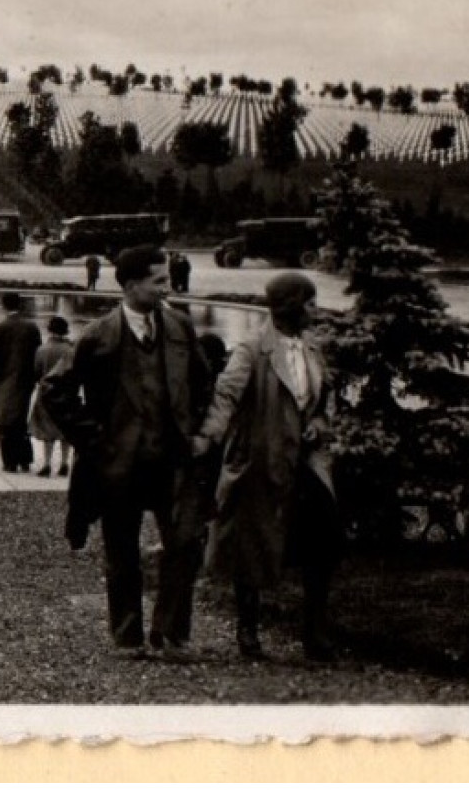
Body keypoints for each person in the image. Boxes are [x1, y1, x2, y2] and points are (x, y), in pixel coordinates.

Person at [40, 244, 213, 660]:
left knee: (186, 543)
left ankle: (170, 632)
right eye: (159, 281)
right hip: (120, 466)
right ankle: (128, 636)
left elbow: (204, 382)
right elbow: (54, 389)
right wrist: (93, 438)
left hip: (174, 459)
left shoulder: (180, 327)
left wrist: (200, 431)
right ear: (132, 285)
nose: (167, 288)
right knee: (122, 553)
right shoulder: (99, 335)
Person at [193, 272, 340, 663]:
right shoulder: (253, 349)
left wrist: (319, 425)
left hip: (306, 465)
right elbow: (226, 394)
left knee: (321, 539)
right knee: (251, 546)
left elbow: (324, 401)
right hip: (261, 462)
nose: (315, 310)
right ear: (291, 305)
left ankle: (316, 631)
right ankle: (248, 629)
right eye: (309, 303)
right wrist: (208, 437)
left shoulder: (311, 347)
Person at [0, 292, 42, 473]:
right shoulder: (31, 327)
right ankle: (24, 459)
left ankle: (9, 462)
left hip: (4, 379)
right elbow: (37, 353)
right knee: (20, 420)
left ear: (3, 304)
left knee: (5, 422)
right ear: (20, 305)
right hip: (25, 380)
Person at [28, 315, 75, 477]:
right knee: (66, 430)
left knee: (46, 430)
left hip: (46, 393)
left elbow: (36, 372)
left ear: (50, 330)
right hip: (68, 393)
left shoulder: (41, 350)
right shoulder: (72, 350)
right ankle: (64, 463)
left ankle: (47, 463)